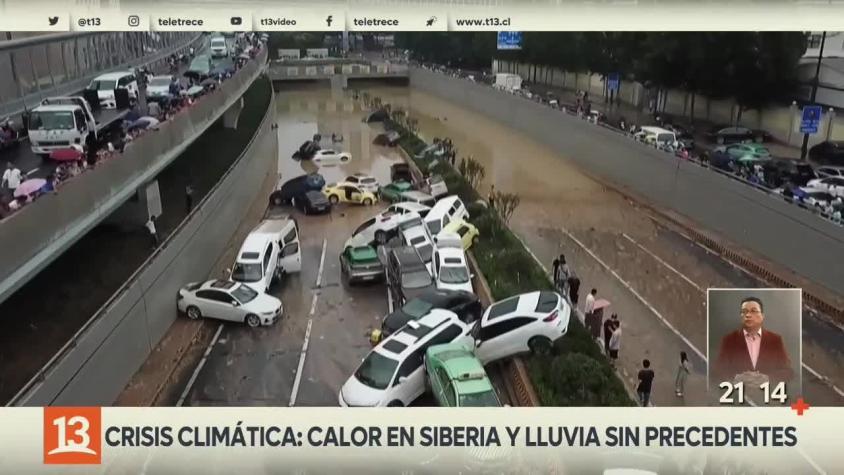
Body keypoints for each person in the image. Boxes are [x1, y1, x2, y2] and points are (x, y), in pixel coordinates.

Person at [713, 296, 794, 384]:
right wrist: (737, 377)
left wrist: (767, 378)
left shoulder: (775, 340)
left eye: (753, 311)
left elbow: (788, 372)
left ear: (762, 316)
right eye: (744, 312)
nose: (748, 315)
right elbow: (718, 370)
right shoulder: (729, 340)